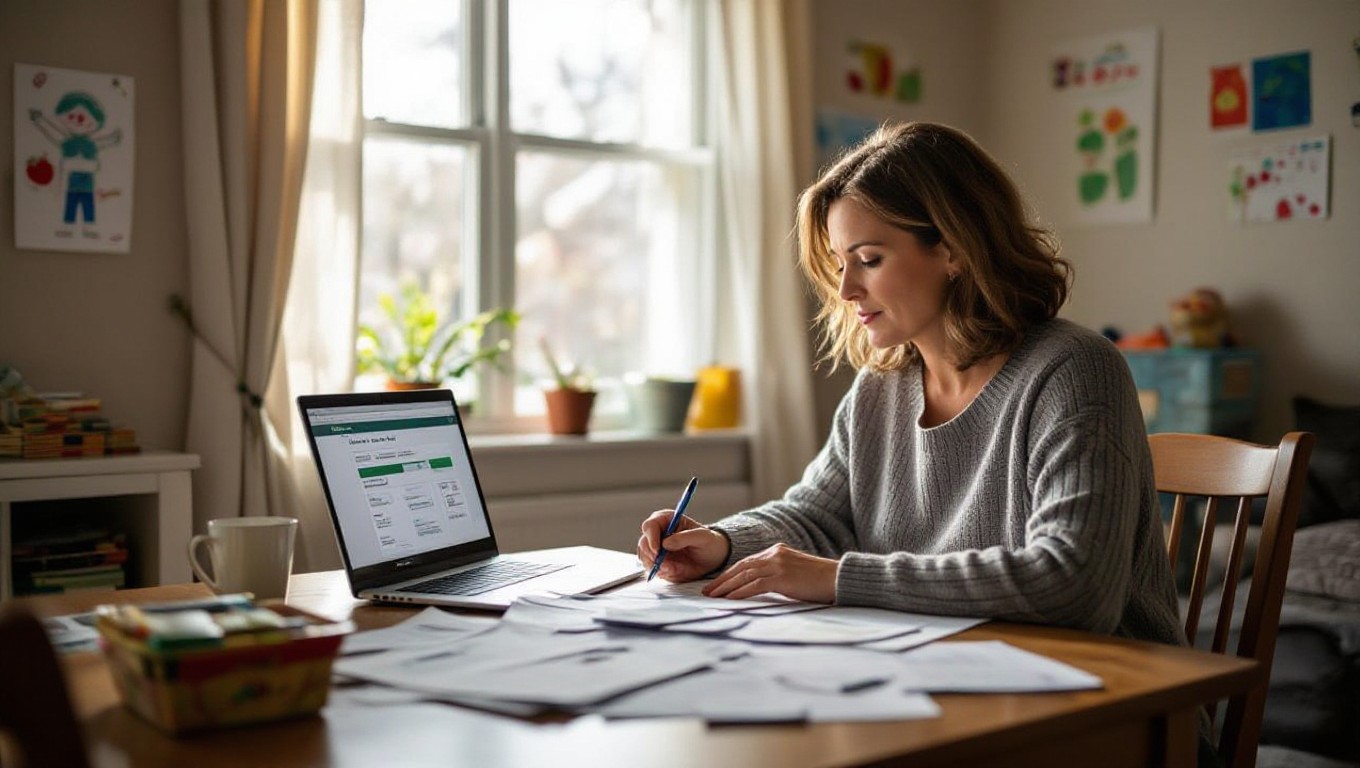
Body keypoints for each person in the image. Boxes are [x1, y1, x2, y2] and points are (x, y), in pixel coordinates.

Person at [636, 121, 1184, 650]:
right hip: (953, 668)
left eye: (869, 260)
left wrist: (838, 579)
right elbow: (816, 516)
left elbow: (1075, 582)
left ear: (954, 249)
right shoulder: (880, 389)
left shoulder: (1074, 370)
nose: (847, 290)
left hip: (1117, 692)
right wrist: (722, 543)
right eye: (840, 264)